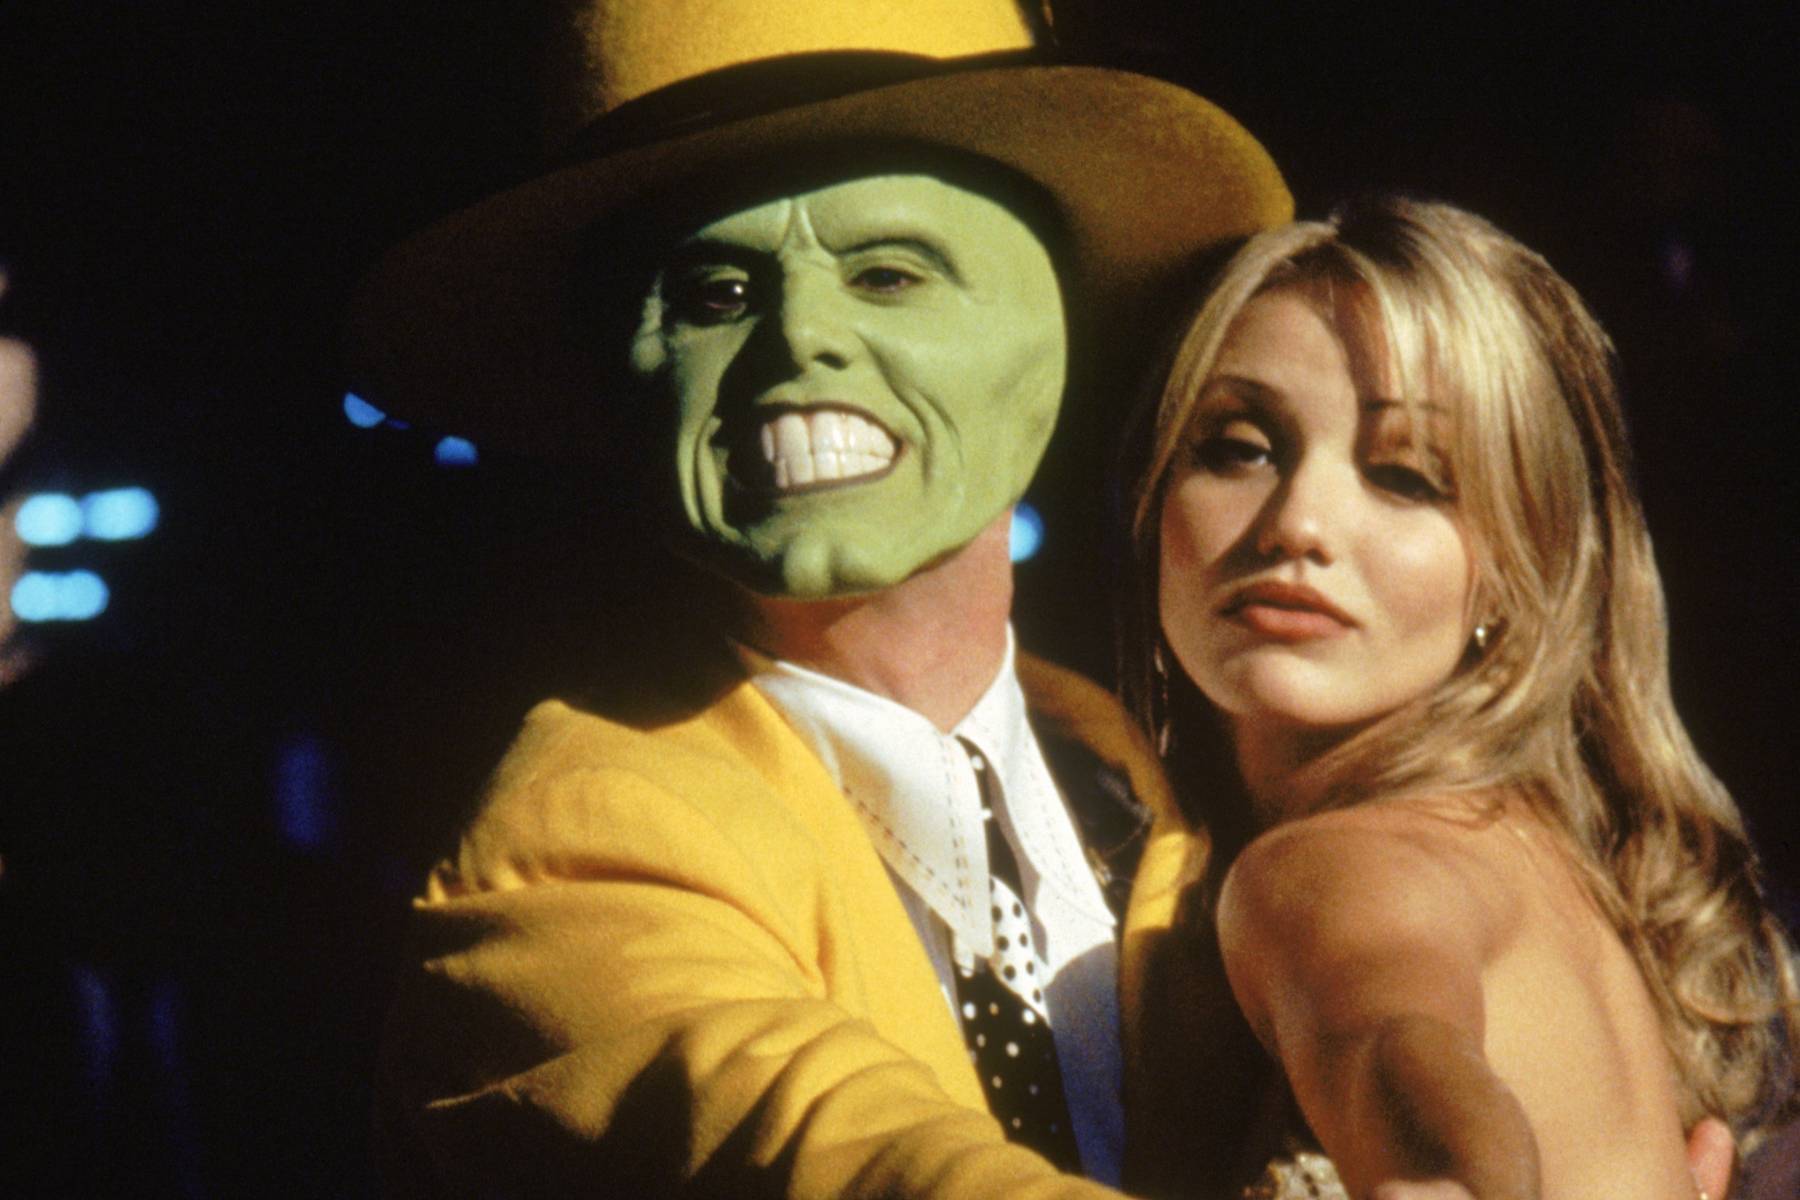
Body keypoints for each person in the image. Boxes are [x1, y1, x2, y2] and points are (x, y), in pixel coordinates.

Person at [353, 2, 1293, 1195]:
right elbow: (848, 1157)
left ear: (1058, 327)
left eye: (890, 273)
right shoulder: (571, 843)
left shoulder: (1134, 767)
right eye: (712, 294)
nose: (800, 336)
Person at [1121, 196, 1797, 1199]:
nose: (1298, 523)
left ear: (1518, 569)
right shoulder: (1541, 862)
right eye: (1241, 447)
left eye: (1405, 476)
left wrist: (1446, 1174)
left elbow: (1387, 1045)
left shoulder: (1335, 866)